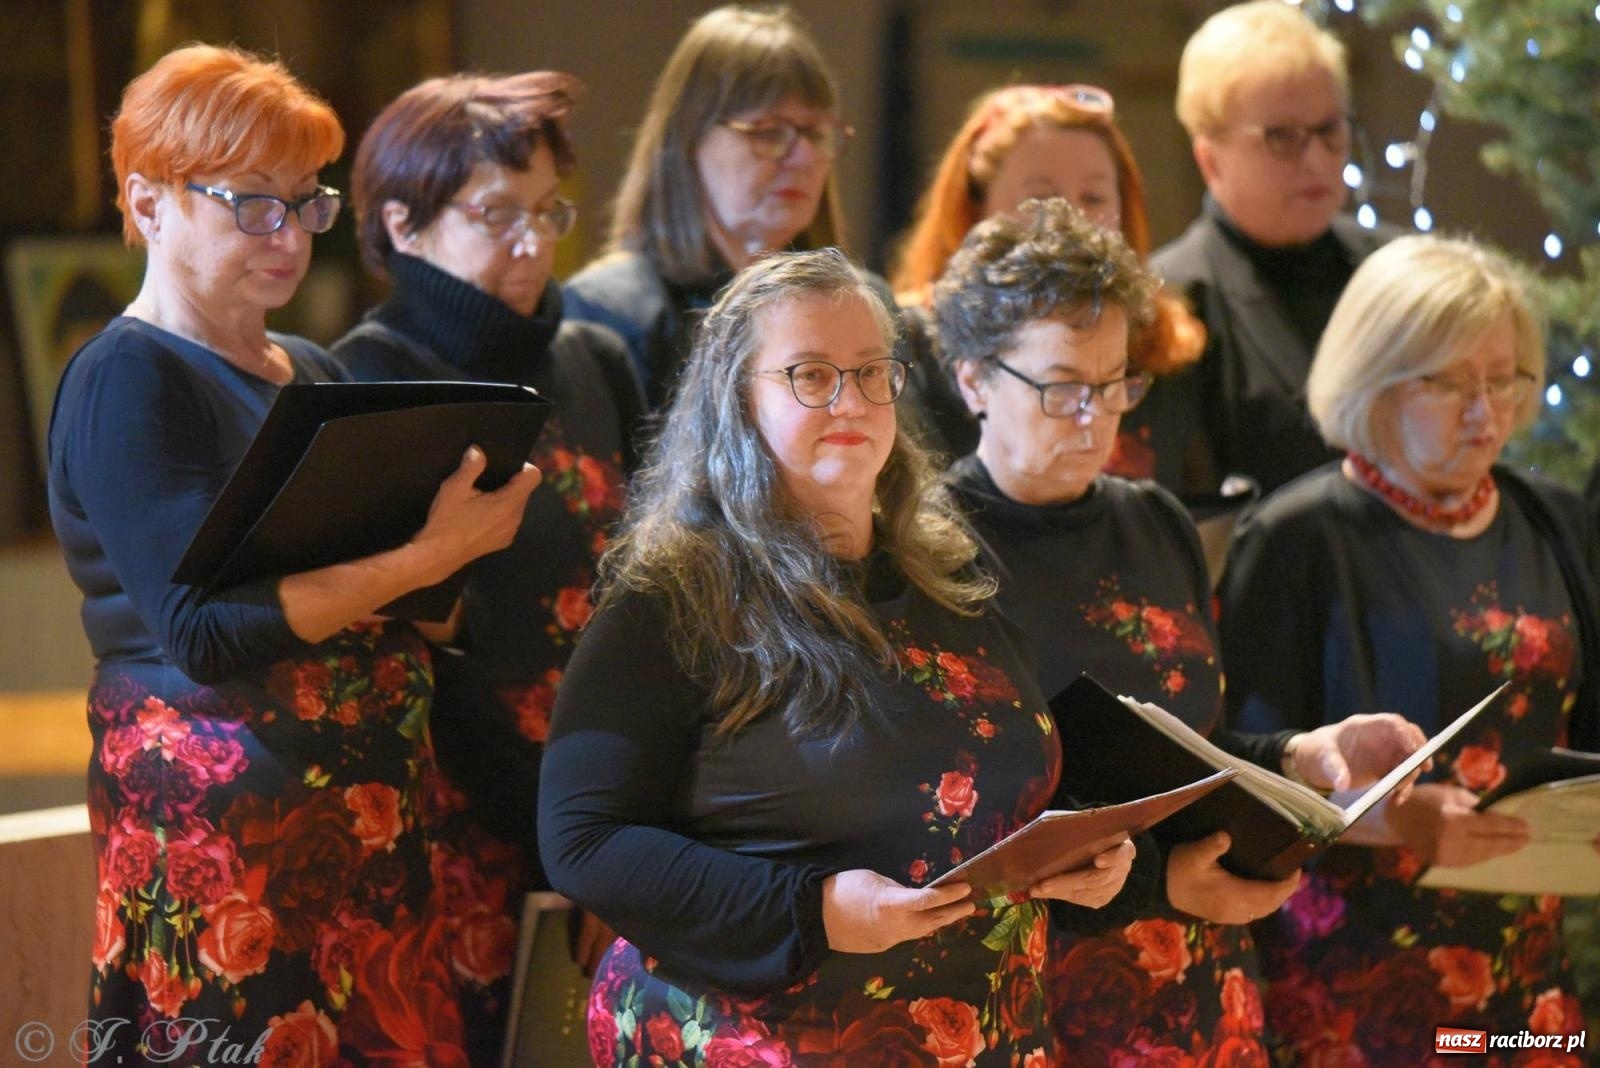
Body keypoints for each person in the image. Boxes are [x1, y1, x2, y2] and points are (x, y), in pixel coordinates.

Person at [540, 248, 1159, 1064]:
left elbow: (1007, 770)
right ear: (738, 400)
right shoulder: (678, 592)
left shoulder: (949, 575)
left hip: (981, 1035)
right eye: (810, 374)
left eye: (872, 372)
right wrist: (816, 909)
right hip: (762, 1038)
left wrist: (1091, 859)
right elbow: (584, 841)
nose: (852, 400)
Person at [48, 44, 541, 1060]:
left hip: (368, 837)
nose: (289, 235)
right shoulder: (127, 374)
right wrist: (420, 563)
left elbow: (424, 602)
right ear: (148, 204)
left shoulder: (312, 371)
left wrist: (451, 553)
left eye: (306, 202)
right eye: (253, 204)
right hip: (226, 852)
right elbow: (203, 634)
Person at [935, 197, 1429, 1063]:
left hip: (1198, 978)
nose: (1096, 418)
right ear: (974, 380)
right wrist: (1162, 884)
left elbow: (1189, 745)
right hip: (1027, 992)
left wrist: (1297, 755)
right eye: (1062, 387)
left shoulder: (1155, 520)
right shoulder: (927, 547)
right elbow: (941, 816)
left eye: (1116, 384)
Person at [1219, 234, 1599, 1065]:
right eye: (1451, 384)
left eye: (1504, 379)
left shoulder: (1557, 521)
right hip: (1355, 985)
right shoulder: (1296, 536)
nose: (1486, 413)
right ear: (1376, 381)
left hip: (1525, 969)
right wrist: (1394, 819)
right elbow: (1238, 769)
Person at [331, 71, 640, 1063]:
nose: (533, 242)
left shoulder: (594, 359)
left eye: (547, 211)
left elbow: (653, 601)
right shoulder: (370, 378)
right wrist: (576, 846)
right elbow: (425, 647)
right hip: (466, 829)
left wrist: (630, 826)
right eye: (497, 214)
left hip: (617, 806)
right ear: (403, 225)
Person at [894, 84, 1208, 489]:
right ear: (976, 210)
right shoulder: (911, 345)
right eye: (1041, 198)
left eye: (1093, 197)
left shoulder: (1164, 343)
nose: (1069, 218)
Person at [562, 4, 860, 420]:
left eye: (816, 133)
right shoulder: (609, 313)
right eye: (768, 132)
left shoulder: (862, 307)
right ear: (688, 142)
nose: (806, 157)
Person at [1153, 0, 1387, 495]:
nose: (1317, 159)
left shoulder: (1396, 269)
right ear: (1210, 160)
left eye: (1329, 129)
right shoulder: (1170, 301)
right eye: (1282, 137)